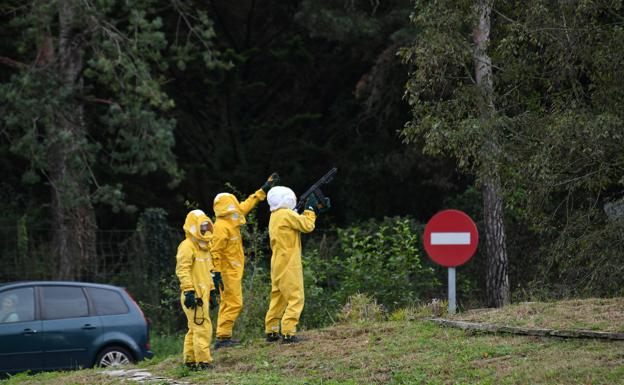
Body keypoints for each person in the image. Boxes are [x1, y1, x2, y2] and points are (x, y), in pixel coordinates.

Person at [211, 173, 280, 349]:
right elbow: (215, 252)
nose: (236, 207)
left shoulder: (231, 218)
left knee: (228, 303)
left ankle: (223, 336)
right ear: (227, 207)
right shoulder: (220, 227)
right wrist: (216, 273)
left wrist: (263, 189)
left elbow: (247, 204)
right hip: (226, 272)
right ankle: (223, 337)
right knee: (234, 303)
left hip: (233, 269)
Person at [264, 186, 329, 343]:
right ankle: (288, 332)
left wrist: (310, 210)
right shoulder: (286, 214)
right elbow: (307, 225)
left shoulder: (275, 216)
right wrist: (310, 208)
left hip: (277, 262)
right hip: (289, 263)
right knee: (296, 296)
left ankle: (271, 330)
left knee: (278, 297)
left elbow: (296, 222)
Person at [175, 209, 216, 370]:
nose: (205, 229)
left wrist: (212, 291)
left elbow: (208, 271)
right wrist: (188, 291)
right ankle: (203, 361)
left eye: (206, 226)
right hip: (193, 294)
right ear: (194, 227)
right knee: (202, 326)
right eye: (202, 227)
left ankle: (190, 360)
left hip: (203, 293)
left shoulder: (205, 247)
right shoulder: (187, 246)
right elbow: (182, 269)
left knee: (194, 328)